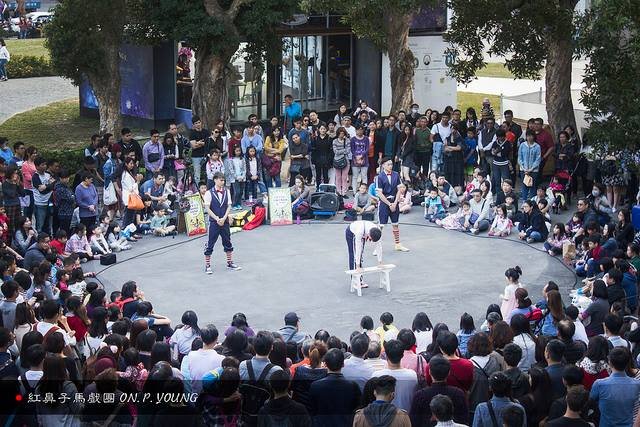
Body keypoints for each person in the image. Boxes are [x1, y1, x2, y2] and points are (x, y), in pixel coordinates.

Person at [410, 355, 469, 426]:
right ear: (449, 373)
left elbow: (414, 422)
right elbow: (464, 419)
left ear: (429, 372)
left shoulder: (420, 396)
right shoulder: (458, 394)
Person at [308, 348, 361, 427]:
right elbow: (357, 409)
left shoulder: (315, 386)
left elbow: (312, 410)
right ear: (343, 364)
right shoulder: (353, 386)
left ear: (325, 364)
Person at [590, 347, 640, 427]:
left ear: (609, 362)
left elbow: (590, 402)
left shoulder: (599, 384)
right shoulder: (637, 384)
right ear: (628, 362)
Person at [203, 172, 241, 274]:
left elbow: (229, 206)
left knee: (227, 241)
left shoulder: (226, 191)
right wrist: (216, 218)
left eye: (223, 180)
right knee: (210, 243)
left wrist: (224, 218)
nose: (222, 182)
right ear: (215, 180)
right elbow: (207, 208)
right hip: (214, 222)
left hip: (225, 221)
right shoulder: (209, 193)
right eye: (221, 180)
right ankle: (207, 265)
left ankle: (229, 262)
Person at [371, 339, 417, 412]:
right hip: (406, 417)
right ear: (402, 355)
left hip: (383, 417)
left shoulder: (376, 375)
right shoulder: (412, 376)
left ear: (386, 355)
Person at [376, 158, 409, 252]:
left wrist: (395, 203)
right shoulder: (379, 177)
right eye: (388, 164)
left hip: (394, 202)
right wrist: (389, 204)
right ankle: (377, 247)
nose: (390, 166)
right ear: (383, 165)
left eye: (391, 164)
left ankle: (398, 244)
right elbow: (379, 194)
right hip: (384, 203)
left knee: (395, 224)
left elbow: (399, 189)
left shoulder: (396, 174)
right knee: (381, 225)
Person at [345, 220, 382, 290]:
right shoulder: (359, 231)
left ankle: (360, 280)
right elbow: (358, 248)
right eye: (370, 239)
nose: (369, 241)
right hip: (351, 232)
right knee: (354, 254)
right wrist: (358, 266)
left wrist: (380, 262)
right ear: (369, 234)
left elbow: (379, 246)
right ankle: (355, 280)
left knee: (361, 255)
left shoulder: (378, 230)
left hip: (363, 231)